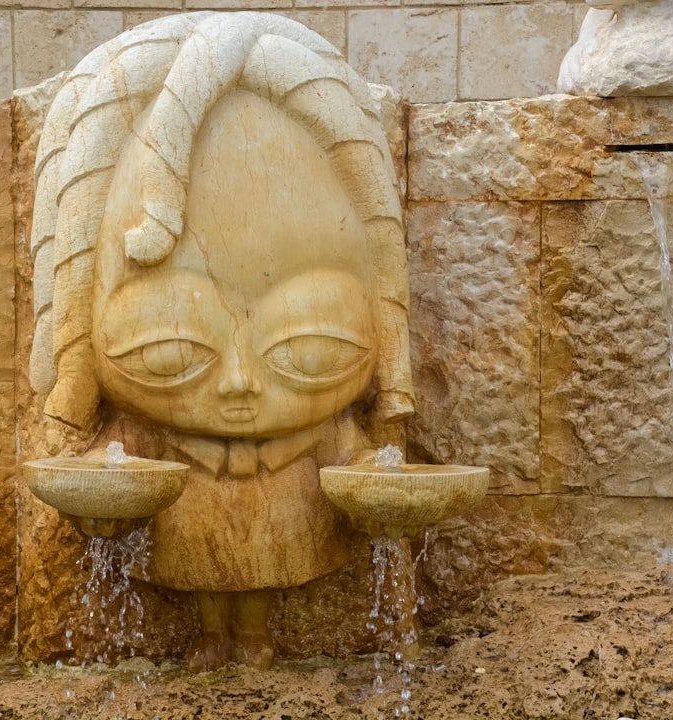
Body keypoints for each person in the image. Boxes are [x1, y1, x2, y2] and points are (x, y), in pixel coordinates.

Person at [30, 11, 414, 670]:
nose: (239, 382)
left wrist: (377, 465)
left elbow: (361, 460)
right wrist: (98, 476)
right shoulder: (148, 426)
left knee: (259, 566)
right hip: (190, 496)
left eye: (308, 342)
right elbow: (113, 463)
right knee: (207, 565)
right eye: (171, 350)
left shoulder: (318, 428)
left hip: (286, 502)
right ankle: (213, 631)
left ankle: (255, 632)